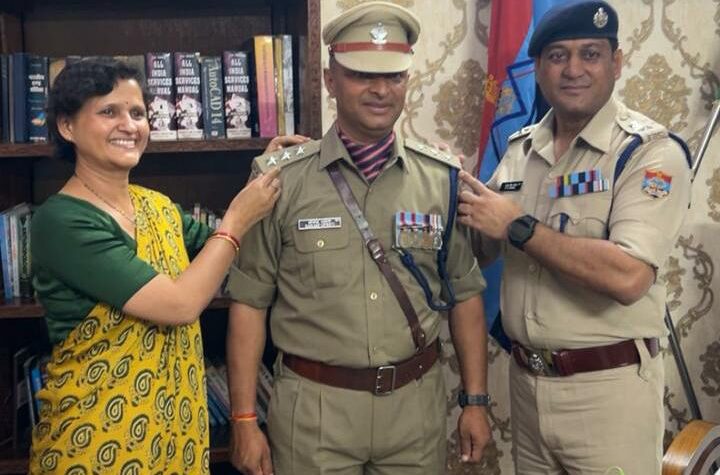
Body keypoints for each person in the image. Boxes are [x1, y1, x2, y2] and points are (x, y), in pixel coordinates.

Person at [225, 2, 491, 474]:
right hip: (315, 411)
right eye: (362, 75)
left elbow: (465, 293)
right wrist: (244, 420)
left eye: (394, 77)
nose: (380, 90)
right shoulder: (280, 180)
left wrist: (475, 400)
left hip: (414, 409)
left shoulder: (442, 179)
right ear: (331, 80)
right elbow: (249, 302)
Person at [27, 57, 305, 474]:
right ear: (67, 126)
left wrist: (261, 178)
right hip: (97, 437)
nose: (129, 125)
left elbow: (224, 252)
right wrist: (236, 218)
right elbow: (179, 305)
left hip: (174, 436)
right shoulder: (62, 221)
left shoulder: (156, 207)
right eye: (109, 112)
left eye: (138, 113)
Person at [457, 1, 691, 474]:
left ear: (616, 63)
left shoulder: (648, 153)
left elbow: (628, 277)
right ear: (538, 68)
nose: (574, 69)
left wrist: (518, 226)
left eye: (591, 54)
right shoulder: (521, 150)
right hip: (527, 386)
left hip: (607, 391)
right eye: (558, 56)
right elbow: (480, 250)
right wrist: (450, 189)